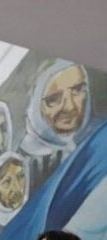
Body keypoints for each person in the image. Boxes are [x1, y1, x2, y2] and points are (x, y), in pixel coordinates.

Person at [19, 61, 93, 192]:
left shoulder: (90, 147)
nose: (69, 107)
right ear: (35, 105)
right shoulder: (20, 167)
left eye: (77, 90)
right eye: (53, 99)